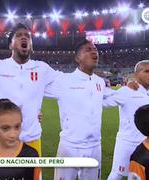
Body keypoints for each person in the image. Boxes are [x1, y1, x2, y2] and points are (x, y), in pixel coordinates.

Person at [0, 23, 58, 156]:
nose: (24, 38)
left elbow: (66, 83)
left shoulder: (42, 69)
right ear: (10, 45)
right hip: (4, 141)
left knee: (34, 176)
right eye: (19, 35)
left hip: (32, 140)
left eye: (28, 36)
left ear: (32, 46)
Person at [44, 38, 114, 179]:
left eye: (95, 49)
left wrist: (132, 88)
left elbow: (113, 97)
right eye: (88, 50)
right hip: (70, 147)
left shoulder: (99, 82)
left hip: (95, 147)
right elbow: (35, 89)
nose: (94, 52)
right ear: (78, 58)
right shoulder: (64, 80)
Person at [105, 60, 149, 180]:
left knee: (136, 176)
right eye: (147, 71)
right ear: (136, 74)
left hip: (145, 143)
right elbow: (103, 100)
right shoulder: (126, 91)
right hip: (127, 143)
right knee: (116, 174)